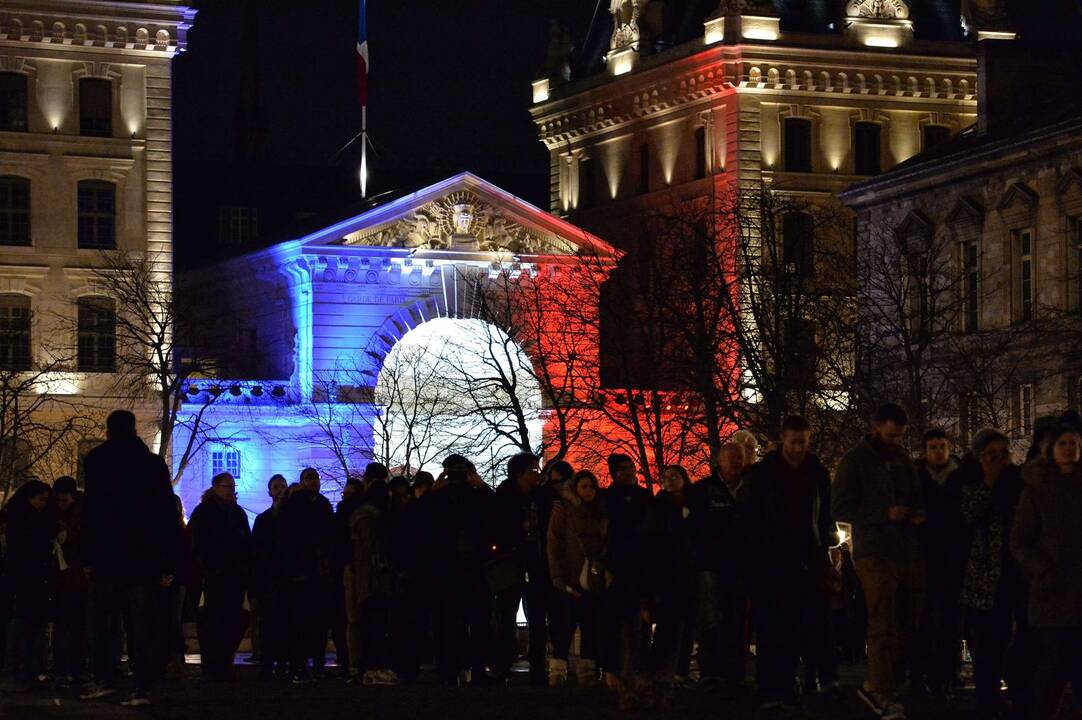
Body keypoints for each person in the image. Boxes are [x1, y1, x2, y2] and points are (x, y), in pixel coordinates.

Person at [832, 403, 924, 720]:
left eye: (899, 436)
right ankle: (879, 686)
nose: (896, 441)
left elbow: (914, 493)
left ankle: (889, 682)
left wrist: (915, 511)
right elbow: (841, 507)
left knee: (904, 619)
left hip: (903, 549)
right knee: (882, 620)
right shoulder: (855, 462)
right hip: (874, 551)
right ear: (876, 428)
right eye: (891, 435)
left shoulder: (900, 459)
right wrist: (883, 514)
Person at [81, 410, 178, 706]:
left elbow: (92, 512)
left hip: (109, 555)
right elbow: (165, 515)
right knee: (143, 625)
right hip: (143, 556)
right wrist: (166, 561)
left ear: (109, 430)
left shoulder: (97, 460)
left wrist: (89, 556)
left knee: (105, 622)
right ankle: (142, 686)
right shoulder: (151, 464)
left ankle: (104, 678)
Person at [741, 415, 837, 711]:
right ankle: (776, 684)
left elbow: (823, 512)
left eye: (802, 443)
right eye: (794, 442)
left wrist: (825, 540)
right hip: (773, 558)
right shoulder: (765, 474)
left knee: (808, 619)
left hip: (806, 555)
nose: (798, 448)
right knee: (774, 625)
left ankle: (804, 678)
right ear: (784, 439)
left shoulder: (814, 472)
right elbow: (751, 515)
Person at [1012, 425, 1082, 720]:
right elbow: (1020, 541)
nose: (1069, 449)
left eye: (1074, 443)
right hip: (1054, 591)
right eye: (1063, 443)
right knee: (1055, 661)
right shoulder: (1037, 492)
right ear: (1051, 449)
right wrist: (1043, 570)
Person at [957, 428, 1027, 719]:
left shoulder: (1020, 483)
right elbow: (969, 516)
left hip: (1015, 575)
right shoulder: (970, 483)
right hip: (985, 579)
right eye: (992, 454)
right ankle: (987, 701)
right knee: (987, 644)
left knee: (1015, 643)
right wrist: (989, 482)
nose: (999, 460)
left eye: (1003, 454)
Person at [688, 442, 748, 690]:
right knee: (712, 618)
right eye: (731, 458)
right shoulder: (703, 491)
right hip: (711, 563)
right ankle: (710, 671)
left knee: (736, 618)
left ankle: (733, 671)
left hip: (741, 564)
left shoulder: (751, 488)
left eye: (739, 458)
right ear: (720, 461)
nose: (735, 463)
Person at [912, 428, 966, 700]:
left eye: (941, 446)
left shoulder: (959, 478)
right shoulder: (917, 477)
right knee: (925, 619)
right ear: (925, 451)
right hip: (924, 556)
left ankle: (946, 672)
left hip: (951, 557)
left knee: (948, 619)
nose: (937, 452)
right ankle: (925, 673)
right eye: (932, 447)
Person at [489, 452, 547, 685]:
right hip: (511, 562)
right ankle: (502, 665)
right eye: (533, 470)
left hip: (535, 563)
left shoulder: (541, 497)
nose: (538, 474)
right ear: (520, 473)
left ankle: (537, 667)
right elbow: (495, 529)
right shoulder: (503, 498)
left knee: (536, 618)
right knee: (505, 616)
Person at [600, 453, 652, 709]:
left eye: (630, 467)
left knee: (635, 625)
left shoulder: (639, 498)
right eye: (623, 468)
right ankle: (623, 673)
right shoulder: (610, 499)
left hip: (636, 568)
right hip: (619, 568)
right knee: (619, 624)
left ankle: (632, 673)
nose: (628, 472)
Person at [189, 472, 252, 681]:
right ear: (216, 487)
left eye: (233, 487)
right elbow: (197, 543)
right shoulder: (204, 512)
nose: (232, 491)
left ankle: (222, 661)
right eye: (228, 487)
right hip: (214, 575)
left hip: (233, 575)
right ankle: (214, 664)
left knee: (231, 621)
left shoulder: (236, 512)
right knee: (213, 623)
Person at [547, 469, 606, 688]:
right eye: (584, 487)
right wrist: (557, 574)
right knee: (566, 624)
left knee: (590, 625)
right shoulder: (563, 509)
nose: (588, 491)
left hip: (592, 575)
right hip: (572, 574)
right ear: (576, 489)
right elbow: (554, 543)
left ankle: (585, 669)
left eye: (591, 486)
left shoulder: (599, 509)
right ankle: (559, 669)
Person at [646, 464, 696, 708]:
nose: (669, 480)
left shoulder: (694, 503)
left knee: (687, 625)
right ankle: (662, 671)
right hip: (669, 572)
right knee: (668, 625)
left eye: (674, 476)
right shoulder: (659, 506)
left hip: (690, 570)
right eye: (665, 477)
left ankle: (679, 670)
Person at [279, 467, 334, 682]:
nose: (315, 482)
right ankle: (299, 666)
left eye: (317, 478)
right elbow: (290, 540)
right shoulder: (296, 505)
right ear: (302, 482)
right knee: (300, 622)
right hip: (302, 571)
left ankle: (317, 665)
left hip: (317, 571)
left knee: (318, 623)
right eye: (310, 478)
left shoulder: (321, 504)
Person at [2, 480, 54, 690]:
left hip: (25, 579)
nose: (43, 504)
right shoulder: (27, 520)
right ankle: (20, 670)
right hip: (28, 579)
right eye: (41, 500)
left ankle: (22, 670)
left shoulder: (18, 517)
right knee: (25, 625)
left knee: (25, 624)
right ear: (30, 498)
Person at [347, 480, 399, 685]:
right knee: (376, 624)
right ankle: (375, 668)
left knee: (370, 624)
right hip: (375, 579)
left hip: (368, 579)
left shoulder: (361, 516)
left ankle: (369, 668)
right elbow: (369, 550)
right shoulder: (373, 518)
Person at [251, 474, 289, 677]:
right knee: (269, 623)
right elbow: (256, 553)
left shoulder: (290, 519)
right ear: (270, 492)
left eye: (283, 486)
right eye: (276, 487)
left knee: (284, 622)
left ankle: (282, 662)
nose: (280, 490)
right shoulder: (263, 520)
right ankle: (268, 662)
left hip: (285, 578)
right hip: (270, 579)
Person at [51, 476, 88, 686]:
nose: (60, 504)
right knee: (67, 624)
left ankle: (72, 667)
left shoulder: (79, 516)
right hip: (67, 576)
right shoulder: (70, 513)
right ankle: (67, 667)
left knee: (74, 624)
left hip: (74, 576)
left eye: (64, 500)